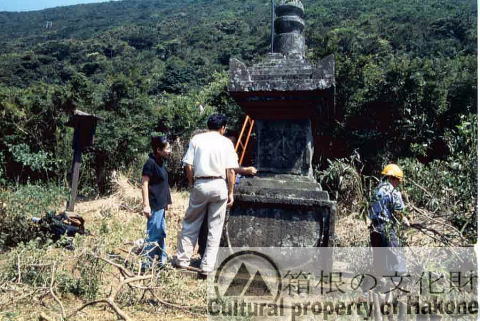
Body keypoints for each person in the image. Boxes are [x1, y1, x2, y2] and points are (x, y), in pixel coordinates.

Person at [175, 114, 239, 274]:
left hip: (201, 183)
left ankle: (182, 260)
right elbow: (231, 170)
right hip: (219, 184)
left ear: (208, 125)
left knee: (191, 223)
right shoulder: (226, 143)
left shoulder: (197, 139)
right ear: (223, 128)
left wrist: (192, 183)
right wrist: (231, 192)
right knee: (215, 228)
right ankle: (207, 266)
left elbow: (188, 166)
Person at [368, 163, 409, 277]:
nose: (399, 183)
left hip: (374, 228)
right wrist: (405, 220)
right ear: (392, 178)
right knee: (395, 257)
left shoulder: (376, 191)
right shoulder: (394, 192)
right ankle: (397, 282)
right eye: (398, 180)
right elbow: (398, 211)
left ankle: (380, 283)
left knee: (379, 259)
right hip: (387, 228)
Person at [141, 136, 172, 268]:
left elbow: (164, 184)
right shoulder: (150, 163)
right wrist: (146, 205)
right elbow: (144, 184)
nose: (170, 150)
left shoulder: (160, 163)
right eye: (167, 148)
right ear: (158, 150)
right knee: (153, 234)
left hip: (161, 205)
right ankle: (145, 264)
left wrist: (168, 201)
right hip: (154, 205)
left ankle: (161, 262)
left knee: (161, 233)